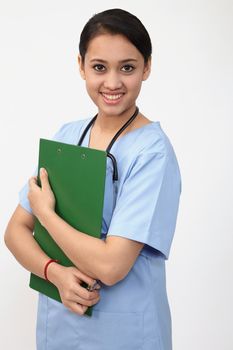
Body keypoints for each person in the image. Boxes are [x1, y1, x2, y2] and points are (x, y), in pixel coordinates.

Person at [4, 8, 182, 350]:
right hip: (59, 327)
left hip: (126, 333)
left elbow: (111, 265)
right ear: (81, 65)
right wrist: (53, 272)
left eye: (127, 67)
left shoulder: (152, 153)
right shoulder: (67, 136)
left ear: (147, 67)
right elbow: (14, 232)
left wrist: (45, 214)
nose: (112, 82)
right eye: (99, 67)